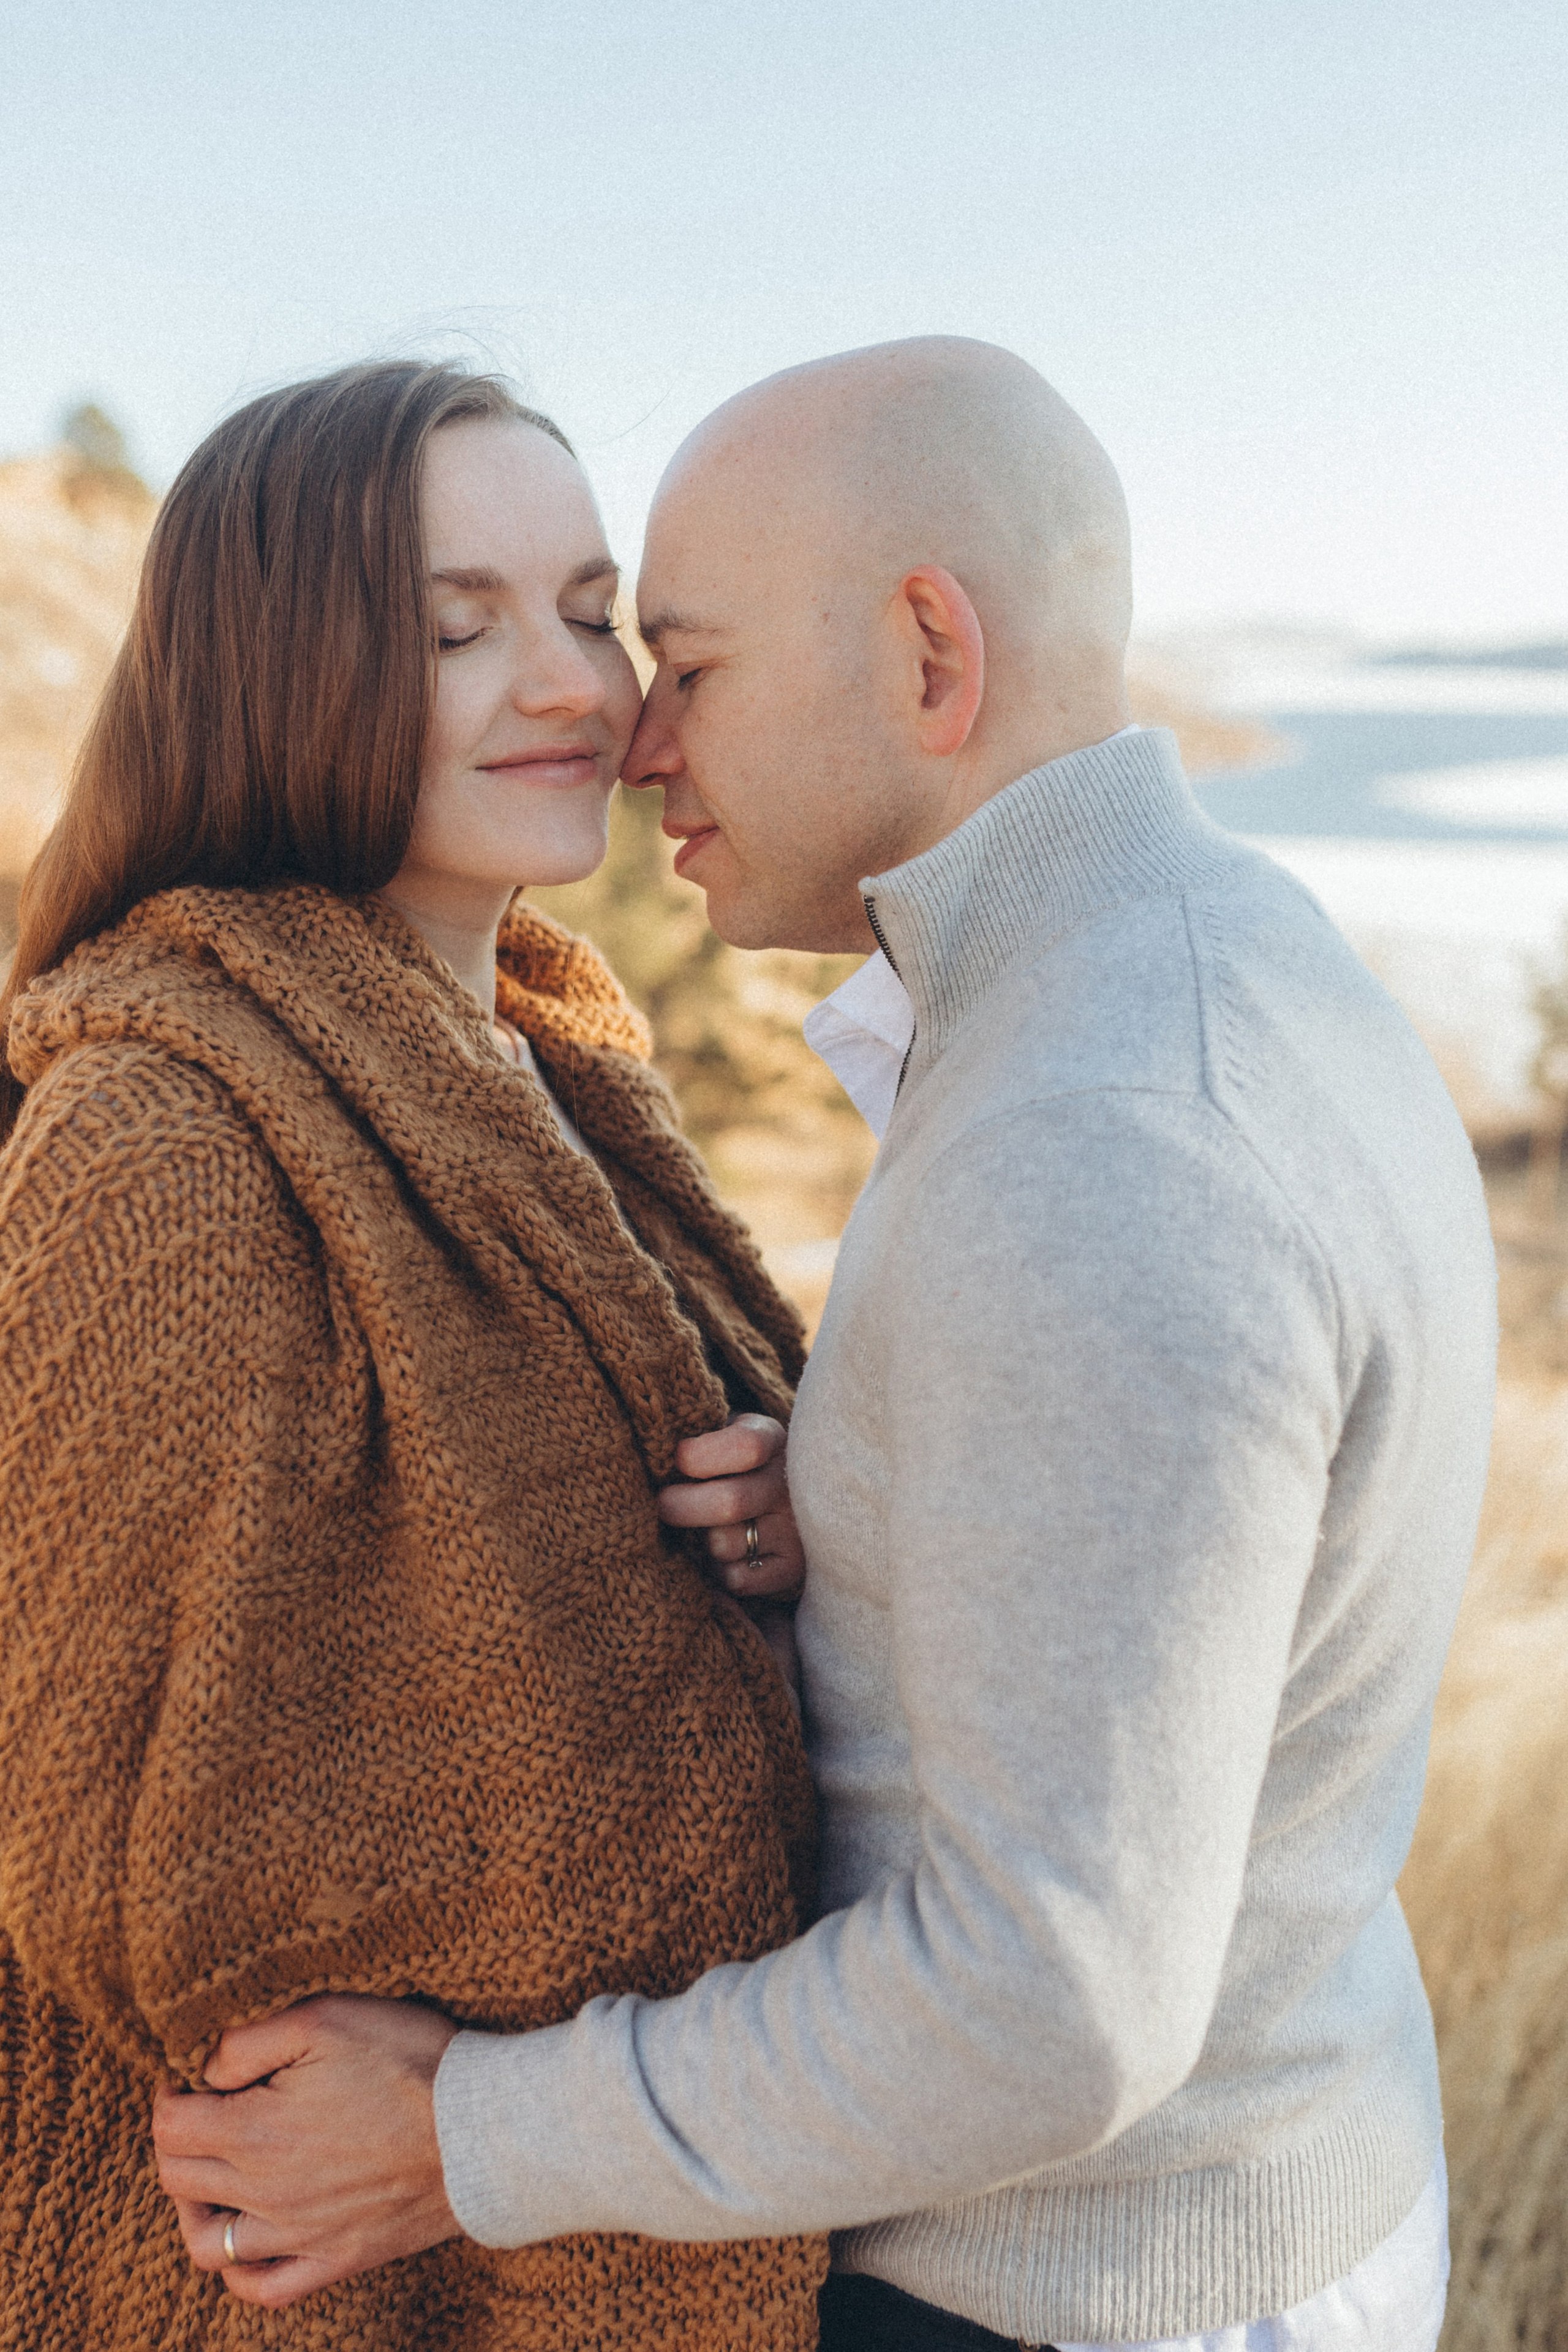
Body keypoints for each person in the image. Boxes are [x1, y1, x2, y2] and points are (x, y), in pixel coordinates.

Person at [153, 339, 1498, 2352]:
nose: (636, 741)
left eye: (679, 662)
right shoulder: (1207, 957)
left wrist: (459, 2136)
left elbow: (1044, 2008)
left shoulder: (1103, 1139)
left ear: (929, 659)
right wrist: (870, 1521)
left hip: (1062, 2295)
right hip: (1258, 2203)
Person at [0, 358, 830, 2348]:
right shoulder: (156, 1143)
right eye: (457, 629)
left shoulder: (557, 1083)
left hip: (559, 2196)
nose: (574, 686)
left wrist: (813, 1518)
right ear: (274, 668)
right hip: (296, 2274)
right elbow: (112, 1846)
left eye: (589, 610)